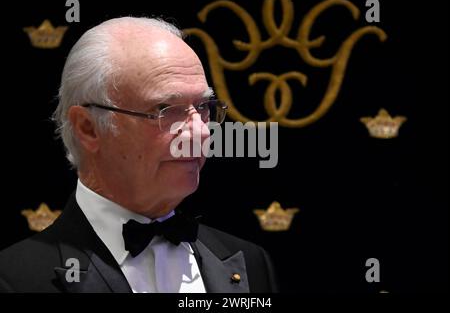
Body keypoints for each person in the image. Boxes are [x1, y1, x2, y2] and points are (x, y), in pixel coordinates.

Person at [0, 17, 278, 293]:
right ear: (89, 128)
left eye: (204, 107)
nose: (202, 133)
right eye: (166, 109)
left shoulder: (251, 263)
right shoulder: (15, 280)